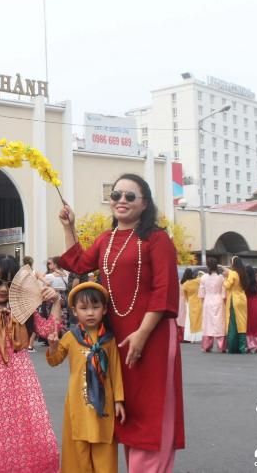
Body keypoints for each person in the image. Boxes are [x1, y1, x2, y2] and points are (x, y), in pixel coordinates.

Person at [58, 173, 183, 471]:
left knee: (151, 409)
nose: (121, 201)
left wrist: (142, 333)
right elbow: (77, 264)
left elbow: (163, 290)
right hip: (116, 338)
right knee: (126, 410)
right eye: (116, 196)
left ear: (145, 204)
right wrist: (69, 226)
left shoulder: (157, 239)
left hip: (151, 335)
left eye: (130, 196)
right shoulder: (106, 239)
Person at [0, 254, 61, 473]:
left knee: (37, 439)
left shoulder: (24, 310)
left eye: (10, 283)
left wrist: (56, 301)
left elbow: (49, 330)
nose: (3, 289)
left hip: (23, 382)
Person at [46, 282, 125, 473]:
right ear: (74, 311)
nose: (90, 313)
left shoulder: (110, 340)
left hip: (103, 406)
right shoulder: (72, 337)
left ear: (104, 309)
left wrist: (118, 400)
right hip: (77, 405)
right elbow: (54, 360)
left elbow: (115, 369)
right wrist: (53, 346)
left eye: (95, 307)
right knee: (78, 450)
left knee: (103, 447)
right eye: (84, 308)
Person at [198, 258, 226, 352]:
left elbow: (201, 293)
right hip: (219, 300)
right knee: (219, 323)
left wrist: (203, 302)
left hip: (208, 300)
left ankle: (207, 346)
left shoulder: (203, 278)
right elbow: (224, 292)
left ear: (208, 266)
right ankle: (221, 346)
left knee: (208, 323)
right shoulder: (221, 277)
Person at [222, 257, 248, 354]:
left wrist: (224, 278)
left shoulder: (233, 273)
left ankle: (233, 347)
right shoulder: (243, 273)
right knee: (242, 322)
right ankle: (242, 347)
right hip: (242, 298)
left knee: (232, 323)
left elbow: (227, 285)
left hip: (234, 299)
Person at [179, 268, 203, 344]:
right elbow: (203, 276)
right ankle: (198, 336)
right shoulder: (197, 281)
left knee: (189, 321)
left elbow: (186, 296)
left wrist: (187, 301)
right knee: (198, 320)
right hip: (199, 301)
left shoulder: (185, 284)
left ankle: (190, 337)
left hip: (190, 302)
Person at [244, 265, 257, 354]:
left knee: (249, 325)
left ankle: (250, 345)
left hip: (248, 303)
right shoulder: (255, 282)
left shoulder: (245, 282)